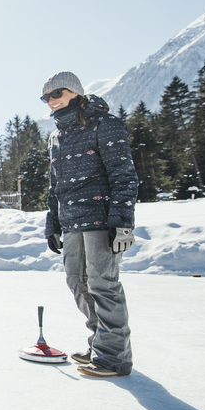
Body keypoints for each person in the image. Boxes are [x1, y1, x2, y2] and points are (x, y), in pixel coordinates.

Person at [41, 71, 138, 378]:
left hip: (101, 219)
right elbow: (55, 186)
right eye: (46, 98)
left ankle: (114, 358)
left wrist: (122, 223)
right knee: (77, 283)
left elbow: (124, 175)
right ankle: (100, 344)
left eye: (57, 94)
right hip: (71, 222)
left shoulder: (105, 125)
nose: (52, 101)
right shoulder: (56, 137)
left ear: (76, 92)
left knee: (103, 285)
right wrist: (52, 224)